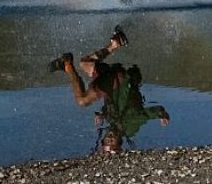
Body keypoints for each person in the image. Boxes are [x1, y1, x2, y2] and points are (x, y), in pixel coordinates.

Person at [48, 25, 170, 153]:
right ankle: (66, 63)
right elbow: (143, 115)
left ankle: (115, 43)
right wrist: (160, 113)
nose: (110, 137)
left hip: (114, 80)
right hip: (118, 83)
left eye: (106, 140)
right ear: (120, 141)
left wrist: (103, 113)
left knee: (85, 63)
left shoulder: (113, 122)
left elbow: (114, 107)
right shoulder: (130, 127)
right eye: (113, 141)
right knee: (82, 101)